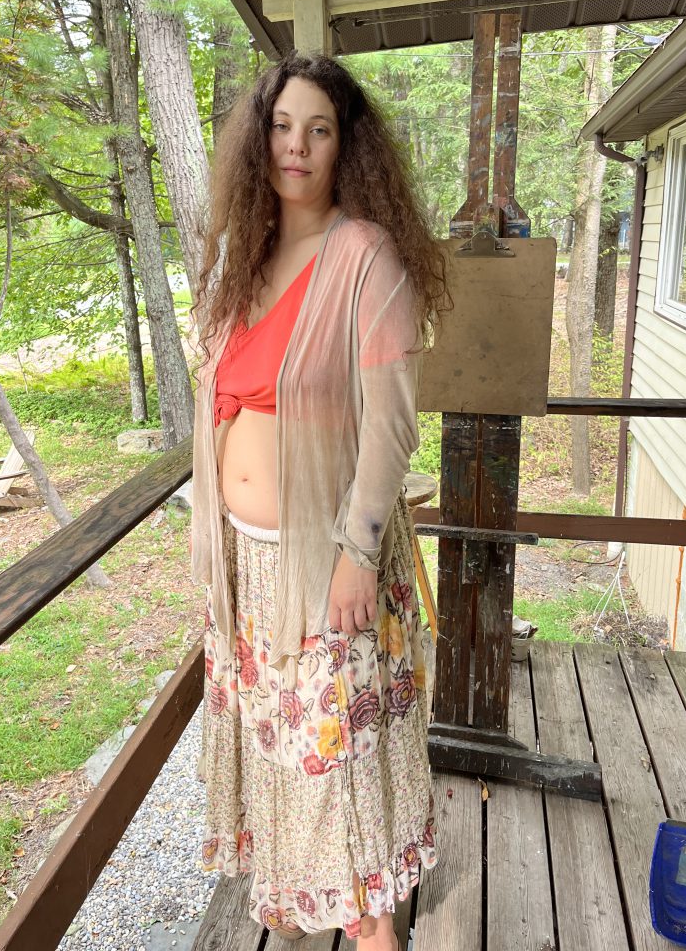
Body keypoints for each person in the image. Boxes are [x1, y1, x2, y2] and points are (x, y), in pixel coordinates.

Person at [191, 52, 449, 951]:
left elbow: (391, 428)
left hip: (328, 559)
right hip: (248, 567)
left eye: (319, 129)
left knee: (339, 759)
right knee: (277, 750)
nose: (295, 146)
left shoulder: (364, 255)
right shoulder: (245, 258)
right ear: (257, 141)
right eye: (280, 126)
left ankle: (373, 929)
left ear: (347, 146)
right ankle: (296, 894)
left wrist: (357, 554)